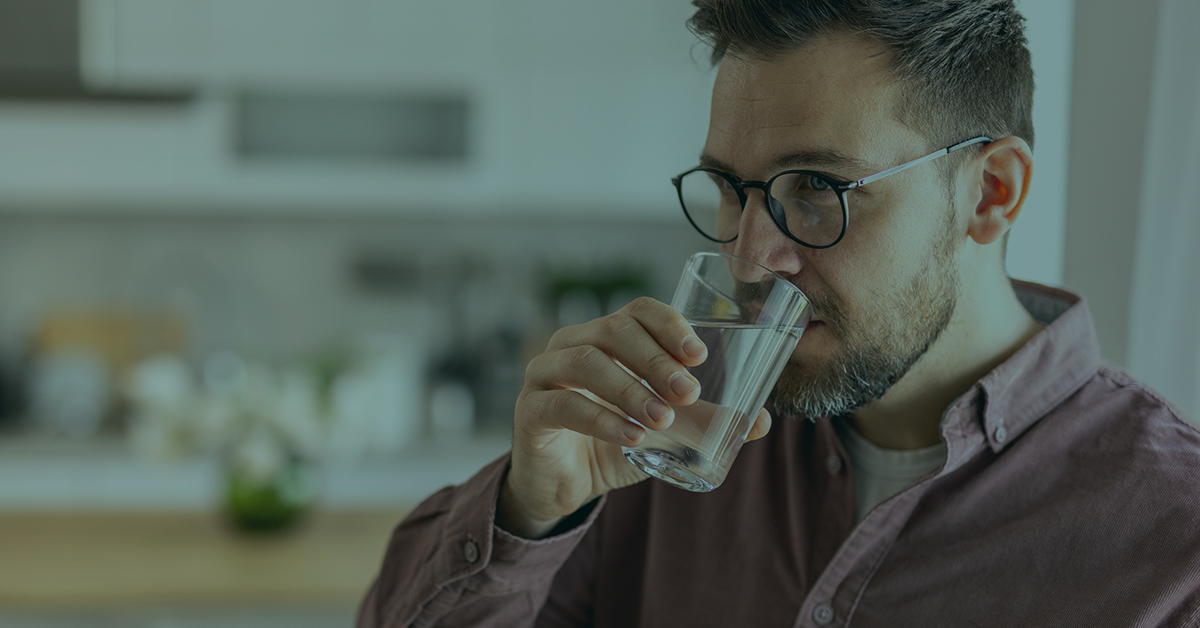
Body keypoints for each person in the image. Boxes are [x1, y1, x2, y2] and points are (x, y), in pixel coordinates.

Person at [357, 1, 1200, 625]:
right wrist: (531, 514)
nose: (751, 257)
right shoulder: (659, 455)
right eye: (732, 190)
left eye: (820, 190)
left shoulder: (1173, 547)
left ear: (990, 193)